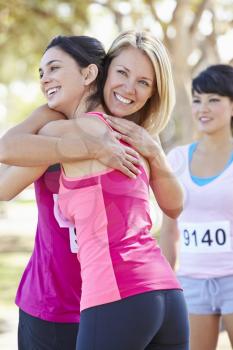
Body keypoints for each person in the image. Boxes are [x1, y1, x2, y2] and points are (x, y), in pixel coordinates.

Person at [39, 30, 189, 349]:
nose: (129, 88)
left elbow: (11, 147)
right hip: (169, 298)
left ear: (153, 93)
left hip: (118, 295)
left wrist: (156, 154)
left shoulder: (90, 128)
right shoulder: (138, 137)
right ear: (105, 72)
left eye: (143, 82)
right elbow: (175, 207)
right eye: (122, 73)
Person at [0, 35, 140, 350]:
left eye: (53, 68)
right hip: (50, 304)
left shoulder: (122, 129)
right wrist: (77, 142)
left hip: (112, 300)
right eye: (40, 73)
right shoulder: (49, 129)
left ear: (89, 74)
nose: (44, 78)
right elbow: (4, 182)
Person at [160, 64, 233, 350]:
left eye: (214, 99)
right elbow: (169, 231)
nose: (204, 108)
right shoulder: (176, 159)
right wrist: (165, 290)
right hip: (190, 284)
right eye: (197, 99)